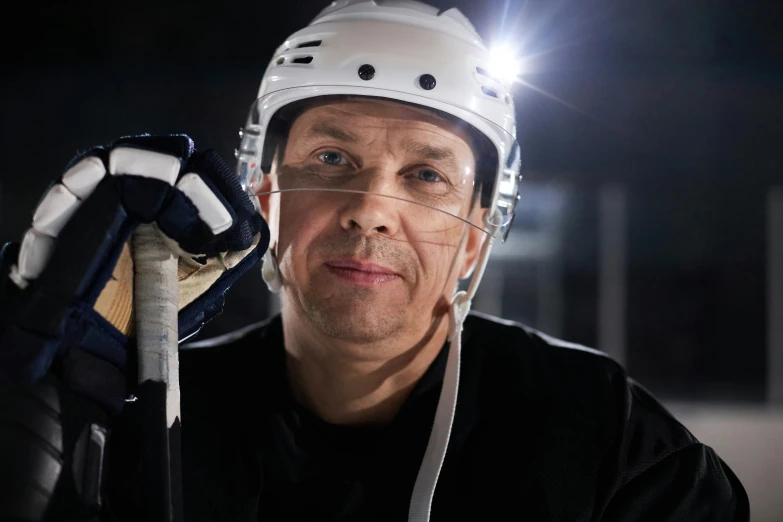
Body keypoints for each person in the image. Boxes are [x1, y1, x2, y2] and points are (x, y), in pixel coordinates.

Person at [0, 1, 750, 521]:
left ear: (479, 234)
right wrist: (43, 417)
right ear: (266, 195)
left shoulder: (610, 441)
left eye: (425, 175)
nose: (369, 206)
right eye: (331, 157)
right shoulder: (147, 420)